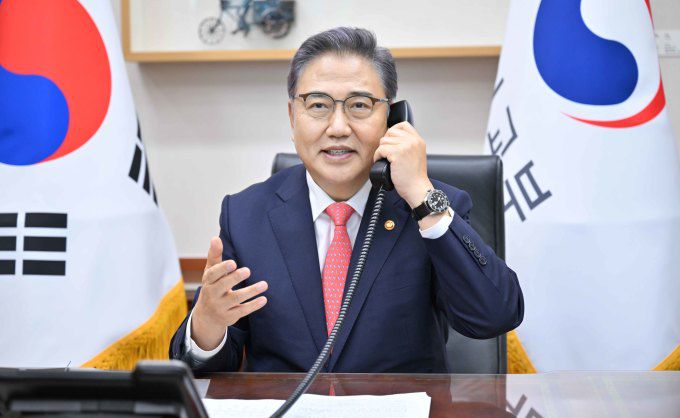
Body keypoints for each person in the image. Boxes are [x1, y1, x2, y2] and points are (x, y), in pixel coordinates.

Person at [170, 27, 524, 373]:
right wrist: (207, 325)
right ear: (293, 117)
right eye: (318, 105)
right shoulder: (246, 215)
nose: (338, 127)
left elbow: (495, 316)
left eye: (359, 105)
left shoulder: (429, 208)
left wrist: (420, 194)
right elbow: (207, 368)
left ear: (392, 118)